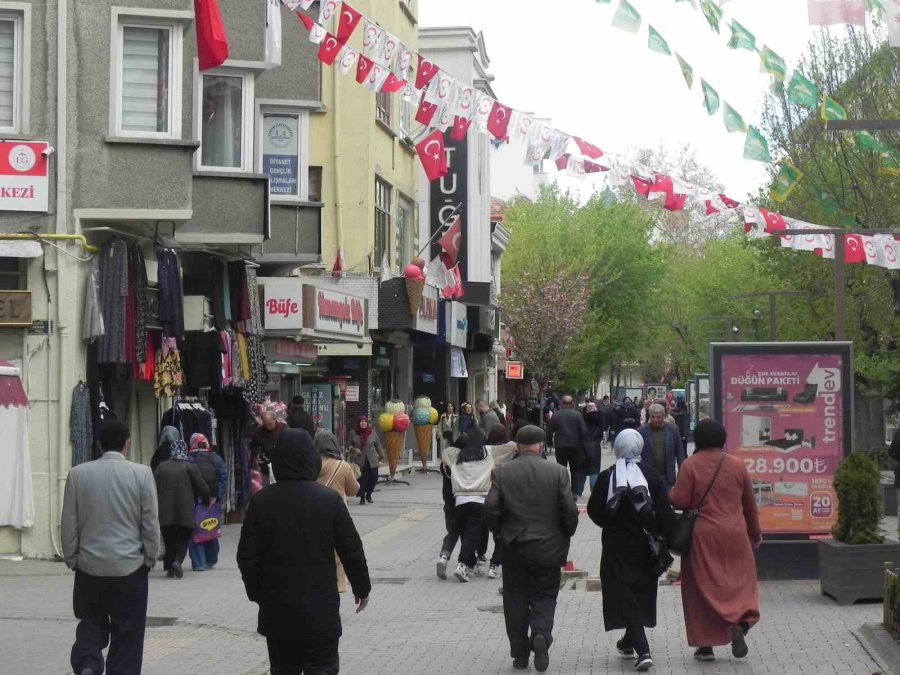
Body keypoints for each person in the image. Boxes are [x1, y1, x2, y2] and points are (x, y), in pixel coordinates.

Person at [237, 430, 371, 675]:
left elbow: (247, 556)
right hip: (321, 610)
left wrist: (258, 593)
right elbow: (351, 549)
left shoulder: (262, 502)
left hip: (278, 612)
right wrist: (362, 588)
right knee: (322, 668)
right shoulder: (329, 501)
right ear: (312, 460)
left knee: (283, 668)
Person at [62, 420, 160, 675]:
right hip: (130, 568)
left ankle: (88, 664)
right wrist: (150, 557)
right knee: (128, 633)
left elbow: (69, 524)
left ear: (98, 444)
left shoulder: (77, 474)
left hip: (89, 568)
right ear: (127, 444)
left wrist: (72, 558)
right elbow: (149, 522)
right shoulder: (142, 474)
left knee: (90, 622)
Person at [485, 425, 579, 672]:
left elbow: (491, 507)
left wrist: (498, 532)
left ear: (517, 446)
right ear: (541, 446)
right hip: (549, 547)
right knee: (545, 594)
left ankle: (520, 654)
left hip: (514, 546)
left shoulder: (502, 472)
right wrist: (567, 532)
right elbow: (569, 509)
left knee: (515, 598)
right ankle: (540, 633)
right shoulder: (558, 472)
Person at [670, 419, 761, 662]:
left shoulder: (691, 466)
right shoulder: (737, 465)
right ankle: (740, 625)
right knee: (740, 583)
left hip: (703, 535)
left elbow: (679, 500)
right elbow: (749, 505)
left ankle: (705, 646)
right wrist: (755, 534)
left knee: (701, 588)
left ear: (697, 439)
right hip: (735, 534)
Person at [587, 429, 675, 672]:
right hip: (646, 546)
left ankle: (642, 649)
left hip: (616, 545)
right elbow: (664, 512)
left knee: (622, 591)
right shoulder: (652, 476)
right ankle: (629, 640)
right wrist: (665, 536)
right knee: (638, 591)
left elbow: (595, 511)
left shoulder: (608, 477)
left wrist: (610, 522)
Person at [441, 429, 516, 582]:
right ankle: (462, 565)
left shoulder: (457, 455)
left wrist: (460, 445)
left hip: (460, 500)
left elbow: (445, 452)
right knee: (473, 534)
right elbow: (512, 446)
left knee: (463, 533)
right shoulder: (488, 452)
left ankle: (461, 562)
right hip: (480, 499)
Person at [154, 435, 210, 579]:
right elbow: (201, 486)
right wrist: (206, 500)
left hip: (165, 510)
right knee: (184, 537)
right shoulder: (191, 466)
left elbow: (153, 487)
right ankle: (177, 561)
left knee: (169, 538)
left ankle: (170, 566)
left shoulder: (162, 466)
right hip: (185, 510)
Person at [316, 431, 360, 594]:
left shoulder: (310, 465)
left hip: (313, 512)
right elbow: (353, 490)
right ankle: (338, 587)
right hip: (338, 515)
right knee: (338, 552)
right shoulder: (343, 466)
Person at [187, 433, 227, 572]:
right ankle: (211, 558)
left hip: (194, 501)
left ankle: (199, 563)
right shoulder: (217, 459)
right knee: (211, 527)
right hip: (212, 501)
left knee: (196, 531)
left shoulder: (188, 459)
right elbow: (223, 479)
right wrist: (216, 496)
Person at [638, 403, 686, 491]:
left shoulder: (673, 430)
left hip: (668, 477)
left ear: (664, 416)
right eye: (653, 417)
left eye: (658, 417)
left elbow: (680, 454)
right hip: (648, 477)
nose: (655, 420)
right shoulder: (642, 431)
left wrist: (682, 475)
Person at [549, 395, 588, 495]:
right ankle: (574, 492)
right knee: (574, 470)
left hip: (560, 446)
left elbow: (549, 430)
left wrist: (549, 442)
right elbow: (584, 431)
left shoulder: (556, 415)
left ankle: (562, 491)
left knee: (561, 469)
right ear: (572, 403)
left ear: (562, 403)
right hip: (575, 446)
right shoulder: (577, 415)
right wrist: (583, 444)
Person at [349, 416, 383, 505]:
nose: (363, 423)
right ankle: (362, 497)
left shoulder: (372, 433)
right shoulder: (353, 433)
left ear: (367, 423)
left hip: (372, 460)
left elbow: (378, 445)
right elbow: (348, 446)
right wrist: (354, 450)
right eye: (361, 421)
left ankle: (369, 494)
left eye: (365, 421)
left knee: (374, 478)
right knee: (362, 479)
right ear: (358, 423)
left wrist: (381, 456)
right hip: (360, 460)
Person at [575, 401, 605, 495]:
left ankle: (578, 491)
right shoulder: (599, 418)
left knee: (581, 470)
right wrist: (597, 411)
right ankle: (594, 491)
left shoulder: (581, 417)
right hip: (595, 446)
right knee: (594, 470)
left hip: (582, 446)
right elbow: (604, 425)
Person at [251, 411, 287, 486]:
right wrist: (257, 453)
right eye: (265, 424)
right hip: (267, 464)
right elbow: (253, 445)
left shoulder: (284, 428)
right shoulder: (259, 431)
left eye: (270, 424)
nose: (268, 427)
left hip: (283, 463)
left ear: (275, 420)